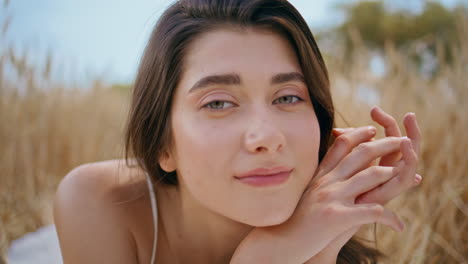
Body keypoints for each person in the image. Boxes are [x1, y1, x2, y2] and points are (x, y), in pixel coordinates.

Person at [53, 0, 422, 263]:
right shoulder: (100, 202)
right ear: (164, 143)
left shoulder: (324, 225)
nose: (266, 136)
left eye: (289, 97)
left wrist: (324, 244)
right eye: (218, 103)